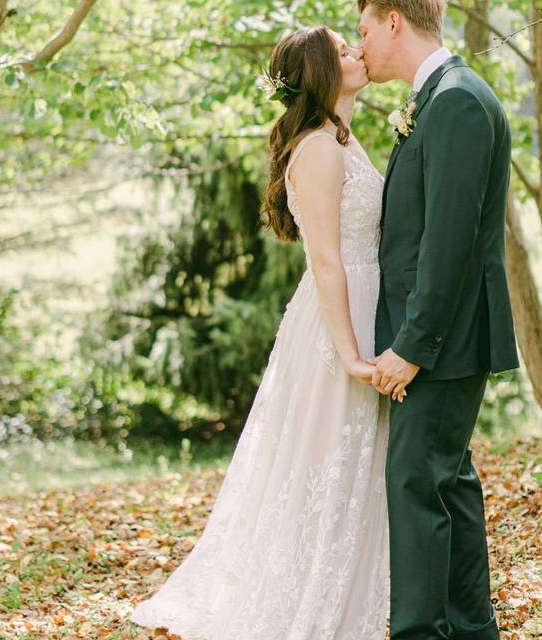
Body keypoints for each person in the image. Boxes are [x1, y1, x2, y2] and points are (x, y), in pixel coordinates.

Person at [129, 25, 395, 639]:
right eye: (343, 49)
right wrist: (350, 355)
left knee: (350, 459)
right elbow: (325, 258)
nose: (357, 51)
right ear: (323, 73)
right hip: (340, 313)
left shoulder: (341, 138)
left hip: (363, 300)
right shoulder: (320, 149)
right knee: (327, 456)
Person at [357, 1, 520, 639]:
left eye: (364, 29)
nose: (360, 44)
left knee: (416, 484)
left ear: (394, 21)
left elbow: (447, 244)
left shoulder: (455, 101)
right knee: (447, 484)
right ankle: (471, 629)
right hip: (441, 335)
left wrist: (412, 346)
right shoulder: (442, 97)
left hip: (441, 339)